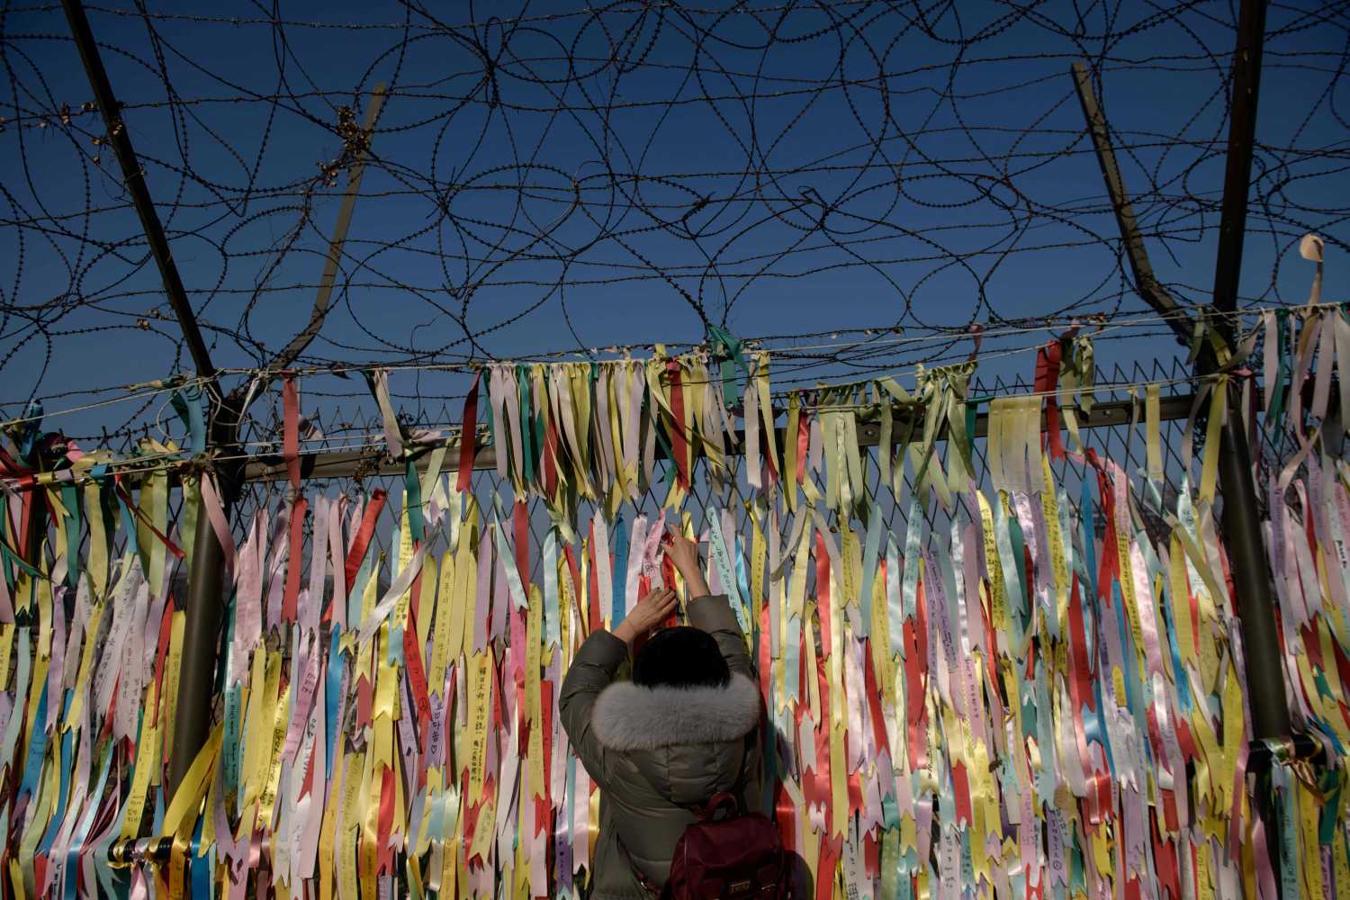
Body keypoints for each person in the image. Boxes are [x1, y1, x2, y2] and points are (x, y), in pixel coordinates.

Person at [560, 528, 762, 898]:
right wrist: (694, 574)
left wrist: (629, 628)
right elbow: (734, 657)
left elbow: (576, 694)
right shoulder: (741, 726)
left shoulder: (621, 753)